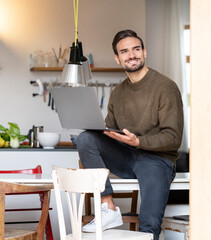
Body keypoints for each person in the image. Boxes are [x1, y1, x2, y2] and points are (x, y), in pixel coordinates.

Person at [76, 29, 184, 240]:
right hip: (127, 157)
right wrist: (94, 127)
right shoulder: (117, 93)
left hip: (157, 160)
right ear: (117, 58)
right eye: (124, 52)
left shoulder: (166, 87)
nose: (131, 55)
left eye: (136, 49)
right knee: (86, 138)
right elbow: (111, 132)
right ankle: (107, 206)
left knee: (149, 226)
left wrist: (139, 141)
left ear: (145, 52)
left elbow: (173, 138)